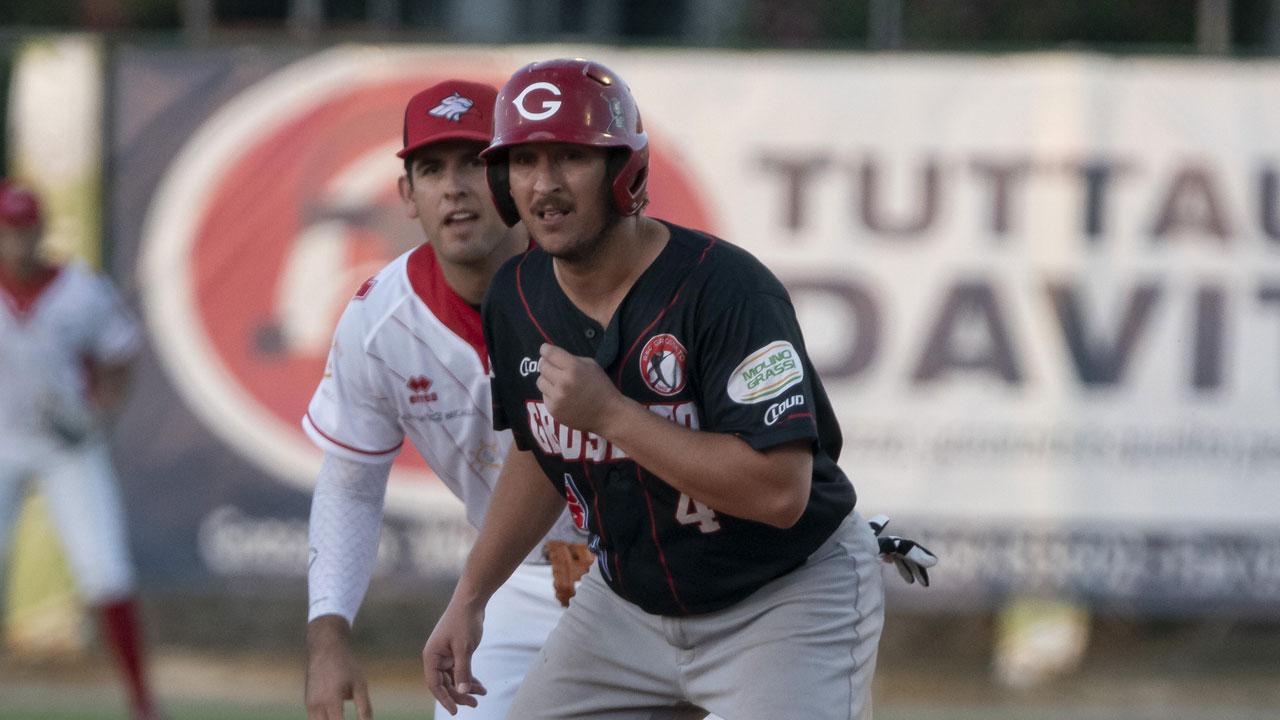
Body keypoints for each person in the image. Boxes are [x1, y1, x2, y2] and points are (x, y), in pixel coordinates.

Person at [423, 57, 932, 720]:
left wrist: (613, 416)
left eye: (571, 157)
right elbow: (540, 450)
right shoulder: (516, 297)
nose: (544, 184)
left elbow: (780, 493)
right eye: (524, 162)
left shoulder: (728, 292)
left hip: (784, 597)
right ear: (502, 182)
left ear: (622, 172)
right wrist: (470, 596)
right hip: (628, 607)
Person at [301, 79, 592, 720]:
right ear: (407, 195)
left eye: (475, 163)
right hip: (519, 576)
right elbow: (350, 484)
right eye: (431, 169)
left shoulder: (595, 277)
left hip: (657, 569)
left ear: (514, 177)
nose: (454, 188)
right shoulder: (378, 321)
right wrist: (329, 631)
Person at [0, 180, 164, 720]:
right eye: (9, 229)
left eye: (25, 229)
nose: (18, 241)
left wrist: (102, 407)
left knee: (105, 569)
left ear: (41, 229)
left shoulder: (79, 289)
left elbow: (120, 354)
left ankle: (142, 703)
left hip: (67, 445)